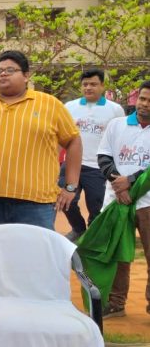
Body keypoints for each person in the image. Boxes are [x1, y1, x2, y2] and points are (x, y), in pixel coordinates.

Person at [0, 50, 82, 229]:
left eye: (10, 70)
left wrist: (71, 186)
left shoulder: (50, 105)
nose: (3, 74)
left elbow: (73, 140)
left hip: (35, 204)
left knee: (35, 248)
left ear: (26, 76)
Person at [97, 81, 150, 319]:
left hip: (147, 203)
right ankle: (116, 302)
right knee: (118, 255)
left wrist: (130, 181)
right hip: (116, 201)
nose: (144, 104)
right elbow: (104, 156)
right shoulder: (116, 125)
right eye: (142, 99)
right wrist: (119, 185)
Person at [60, 69, 124, 241]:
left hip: (97, 168)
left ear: (102, 86)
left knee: (96, 206)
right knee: (65, 200)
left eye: (93, 84)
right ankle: (78, 229)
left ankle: (92, 239)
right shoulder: (69, 107)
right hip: (71, 165)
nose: (88, 87)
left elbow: (119, 138)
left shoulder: (115, 110)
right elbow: (60, 134)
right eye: (85, 84)